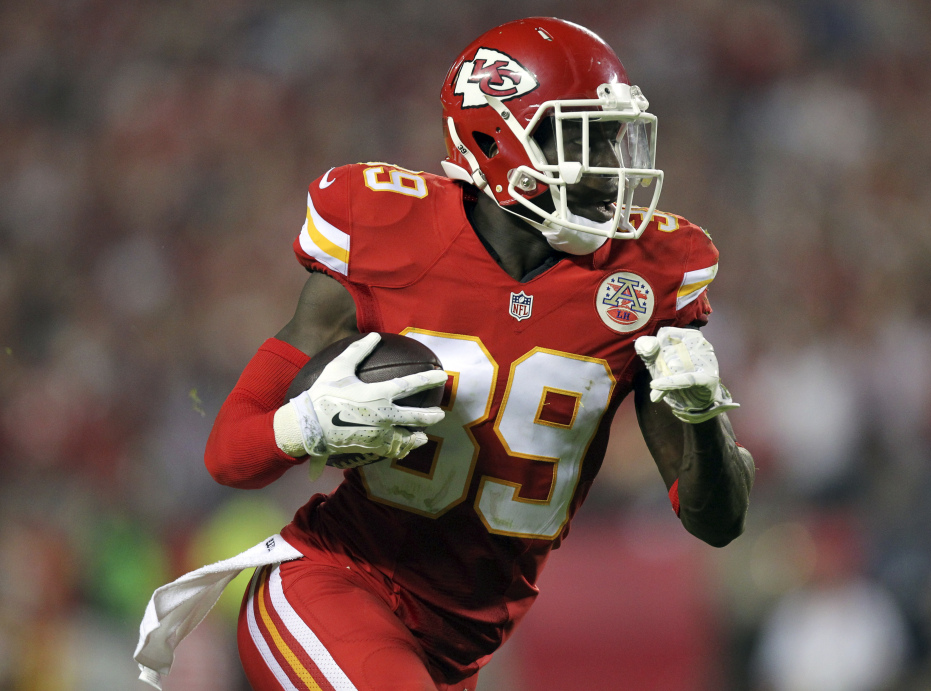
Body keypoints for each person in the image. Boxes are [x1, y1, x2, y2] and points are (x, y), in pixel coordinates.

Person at [138, 17, 754, 691]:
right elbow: (229, 452)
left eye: (614, 134)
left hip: (459, 647)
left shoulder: (646, 277)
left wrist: (703, 416)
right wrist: (306, 423)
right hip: (332, 587)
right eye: (585, 134)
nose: (612, 162)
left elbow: (716, 521)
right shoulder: (383, 228)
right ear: (496, 138)